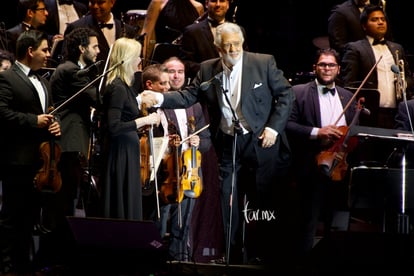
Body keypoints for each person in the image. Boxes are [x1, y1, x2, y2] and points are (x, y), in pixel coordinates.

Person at [140, 22, 294, 268]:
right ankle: (231, 257)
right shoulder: (207, 69)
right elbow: (188, 95)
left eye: (237, 44)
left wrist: (273, 127)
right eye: (227, 46)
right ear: (217, 47)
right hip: (228, 143)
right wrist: (159, 97)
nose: (233, 49)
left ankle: (259, 255)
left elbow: (286, 95)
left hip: (260, 141)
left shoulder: (263, 63)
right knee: (226, 199)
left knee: (258, 201)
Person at [285, 48, 357, 263]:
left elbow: (354, 131)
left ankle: (333, 262)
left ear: (338, 69)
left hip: (340, 165)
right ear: (314, 68)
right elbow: (287, 125)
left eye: (331, 65)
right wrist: (318, 132)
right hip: (310, 165)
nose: (327, 68)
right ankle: (303, 264)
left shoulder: (347, 95)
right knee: (308, 219)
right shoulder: (298, 92)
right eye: (323, 64)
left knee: (337, 219)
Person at [0, 29, 61, 275]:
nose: (48, 55)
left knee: (30, 217)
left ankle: (23, 264)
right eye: (45, 50)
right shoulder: (7, 78)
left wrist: (54, 123)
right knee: (12, 216)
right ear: (30, 51)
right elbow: (2, 113)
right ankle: (4, 266)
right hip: (16, 158)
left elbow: (49, 112)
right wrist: (33, 120)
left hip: (40, 161)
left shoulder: (44, 81)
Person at [100, 37, 160, 221]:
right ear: (126, 59)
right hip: (120, 153)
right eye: (137, 57)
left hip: (127, 150)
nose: (140, 61)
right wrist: (145, 120)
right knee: (121, 204)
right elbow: (114, 126)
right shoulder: (117, 87)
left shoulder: (125, 86)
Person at [49, 26, 100, 225]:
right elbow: (96, 98)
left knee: (70, 192)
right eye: (94, 47)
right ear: (82, 48)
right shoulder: (72, 70)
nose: (98, 51)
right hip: (69, 137)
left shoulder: (74, 69)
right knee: (66, 194)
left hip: (71, 136)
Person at [340, 4, 413, 130]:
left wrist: (405, 83)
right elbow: (348, 84)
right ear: (364, 25)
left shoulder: (397, 48)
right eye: (374, 20)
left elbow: (409, 77)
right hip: (370, 114)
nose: (380, 22)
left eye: (383, 19)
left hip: (397, 113)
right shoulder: (355, 48)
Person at [64, 0, 137, 64]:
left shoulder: (128, 31)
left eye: (100, 2)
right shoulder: (76, 27)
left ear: (112, 2)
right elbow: (67, 62)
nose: (95, 6)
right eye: (92, 2)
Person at [139, 0, 204, 66]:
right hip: (163, 60)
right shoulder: (157, 2)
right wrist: (142, 64)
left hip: (187, 61)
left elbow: (200, 39)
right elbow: (146, 35)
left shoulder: (198, 7)